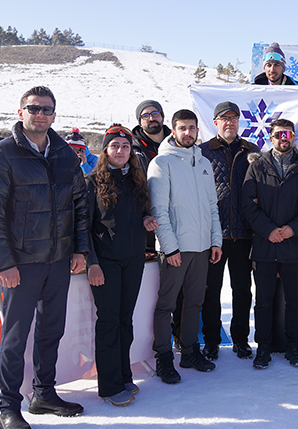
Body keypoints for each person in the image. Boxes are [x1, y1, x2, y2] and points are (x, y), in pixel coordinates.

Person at [0, 86, 89, 429]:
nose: (40, 114)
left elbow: (80, 206)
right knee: (15, 337)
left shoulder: (64, 154)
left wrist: (80, 249)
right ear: (20, 111)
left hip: (57, 261)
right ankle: (8, 407)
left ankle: (43, 393)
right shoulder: (2, 153)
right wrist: (3, 263)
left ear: (54, 115)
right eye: (34, 108)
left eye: (46, 109)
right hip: (20, 264)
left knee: (51, 331)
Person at [148, 109, 223, 383]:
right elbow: (159, 210)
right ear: (173, 131)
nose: (188, 133)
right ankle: (164, 358)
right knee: (166, 304)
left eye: (192, 128)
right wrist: (170, 248)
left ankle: (190, 351)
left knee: (195, 302)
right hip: (176, 249)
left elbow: (212, 207)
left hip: (202, 248)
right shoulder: (162, 162)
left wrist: (215, 241)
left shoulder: (203, 162)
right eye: (183, 128)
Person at [85, 124, 157, 406]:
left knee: (126, 319)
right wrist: (92, 262)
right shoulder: (92, 182)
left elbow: (136, 215)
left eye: (125, 146)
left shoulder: (136, 181)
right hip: (106, 261)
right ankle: (110, 385)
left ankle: (124, 374)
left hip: (133, 259)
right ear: (105, 150)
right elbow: (84, 227)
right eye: (115, 146)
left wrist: (145, 221)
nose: (120, 151)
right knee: (108, 322)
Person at [242, 119, 298, 369]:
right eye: (279, 134)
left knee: (294, 301)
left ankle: (294, 346)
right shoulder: (257, 166)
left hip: (292, 247)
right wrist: (269, 230)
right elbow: (247, 205)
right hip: (264, 246)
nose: (284, 138)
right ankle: (264, 347)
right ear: (271, 138)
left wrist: (292, 228)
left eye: (288, 134)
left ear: (293, 138)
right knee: (263, 301)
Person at [197, 102, 259, 361]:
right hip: (214, 234)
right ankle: (211, 341)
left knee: (242, 289)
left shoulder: (251, 151)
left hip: (244, 233)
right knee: (211, 290)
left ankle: (241, 339)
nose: (230, 123)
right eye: (225, 119)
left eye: (234, 118)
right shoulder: (203, 152)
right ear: (216, 122)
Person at [131, 99, 169, 258]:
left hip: (173, 218)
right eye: (145, 115)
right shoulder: (131, 148)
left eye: (155, 113)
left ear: (162, 116)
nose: (151, 118)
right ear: (139, 122)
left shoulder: (176, 144)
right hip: (143, 220)